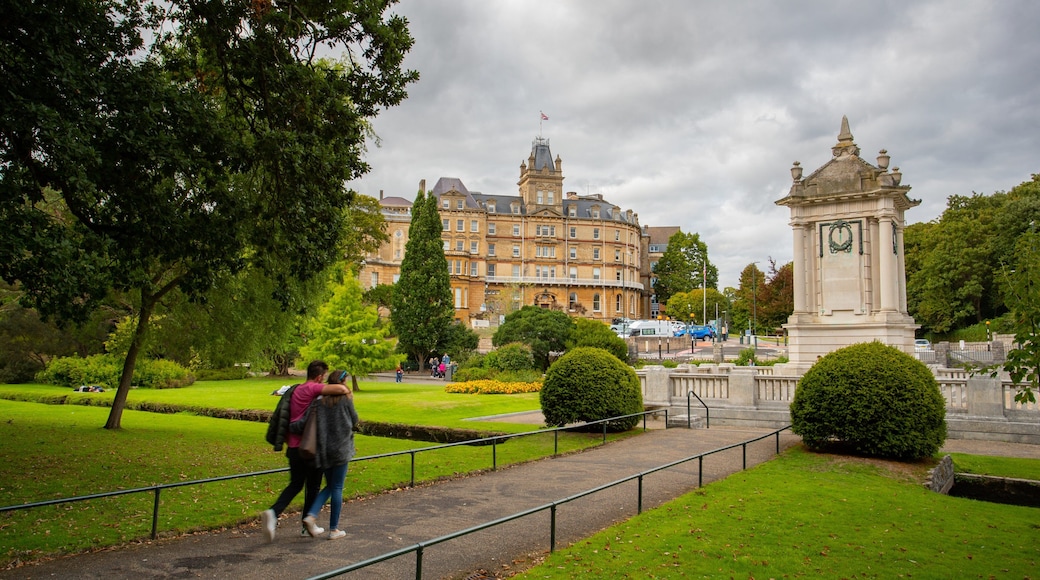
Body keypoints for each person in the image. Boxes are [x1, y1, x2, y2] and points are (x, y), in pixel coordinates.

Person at [260, 360, 348, 542]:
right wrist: (345, 388)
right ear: (319, 377)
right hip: (311, 447)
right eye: (323, 376)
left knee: (295, 484)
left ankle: (273, 512)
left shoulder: (296, 389)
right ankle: (306, 525)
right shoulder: (312, 388)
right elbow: (339, 389)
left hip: (293, 447)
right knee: (313, 486)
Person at [299, 369, 360, 540]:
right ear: (342, 382)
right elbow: (354, 419)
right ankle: (333, 529)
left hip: (324, 448)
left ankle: (311, 515)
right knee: (337, 486)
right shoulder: (345, 399)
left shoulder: (319, 400)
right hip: (341, 447)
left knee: (330, 485)